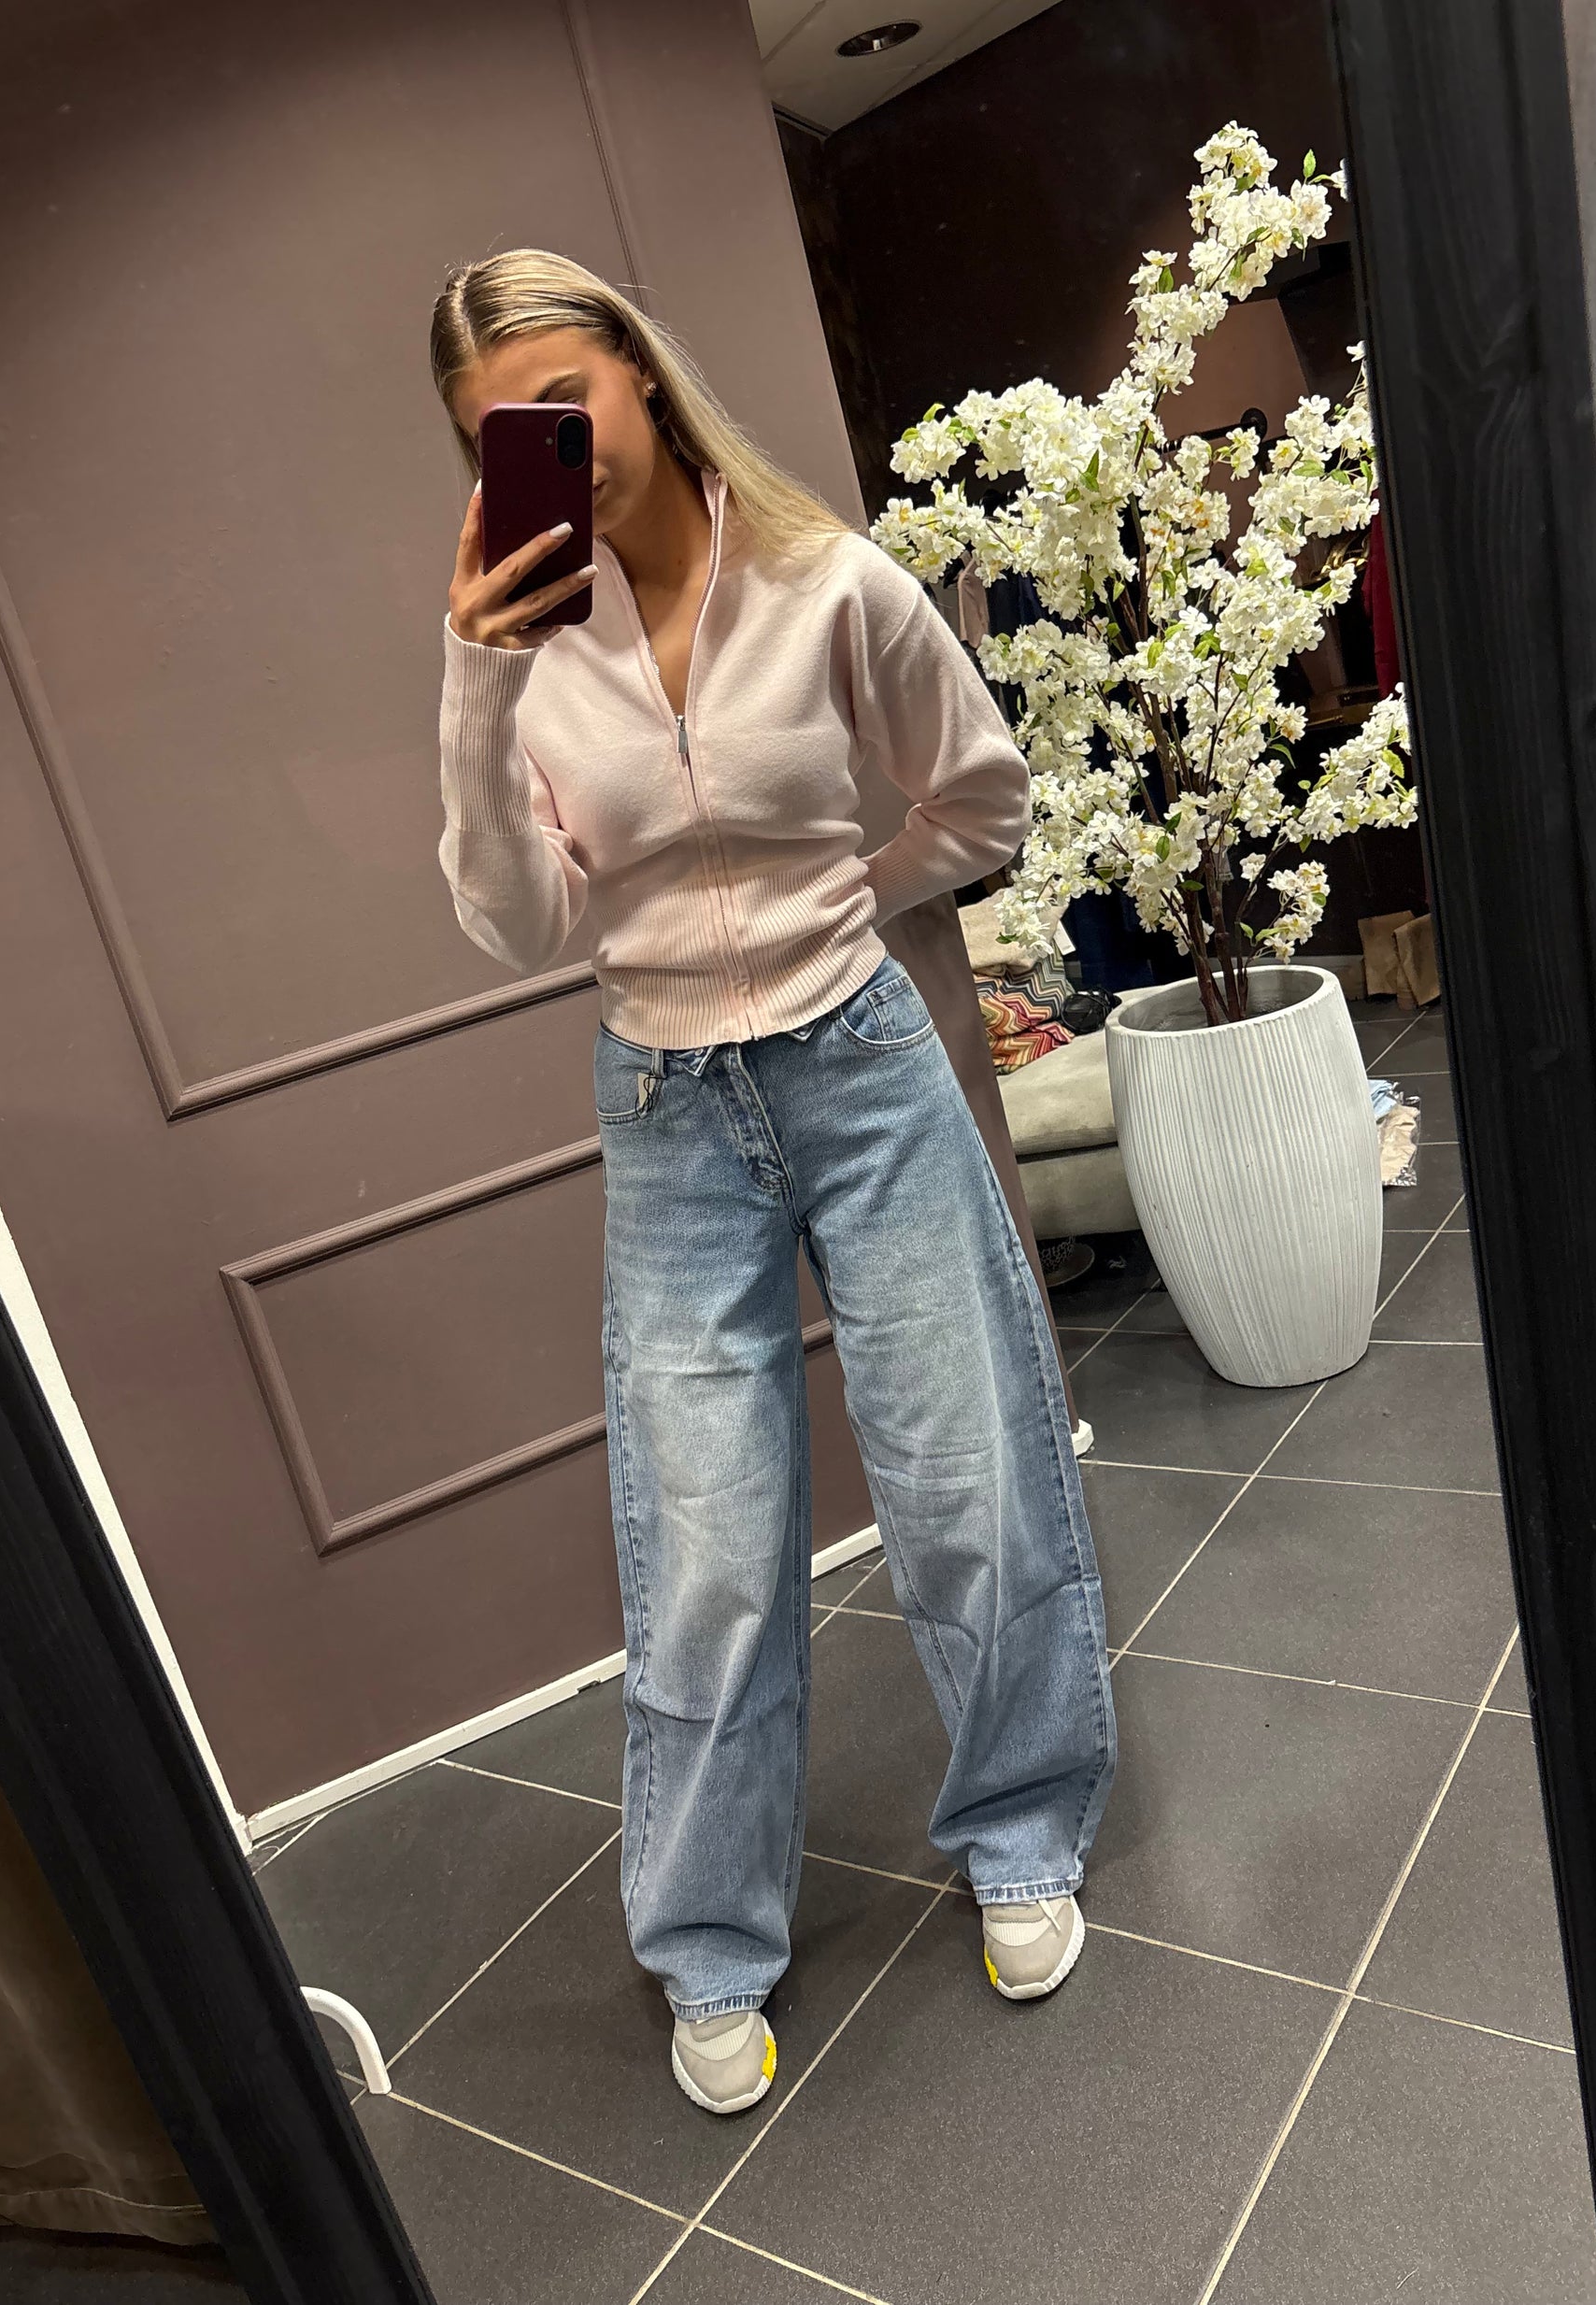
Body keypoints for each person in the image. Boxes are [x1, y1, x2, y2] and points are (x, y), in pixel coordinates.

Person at [429, 249, 1116, 2115]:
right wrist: (478, 688)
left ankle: (1021, 1824)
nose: (547, 439)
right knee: (709, 1553)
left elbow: (978, 799)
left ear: (643, 378)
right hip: (666, 1108)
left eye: (568, 394)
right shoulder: (516, 649)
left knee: (967, 1478)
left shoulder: (829, 584)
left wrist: (844, 913)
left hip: (861, 1068)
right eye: (499, 427)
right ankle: (709, 1934)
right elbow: (519, 925)